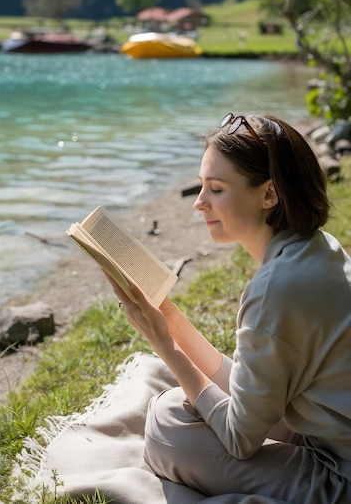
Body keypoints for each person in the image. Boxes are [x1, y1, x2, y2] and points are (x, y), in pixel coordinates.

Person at [104, 113, 351, 504]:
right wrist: (169, 318)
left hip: (340, 478)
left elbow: (241, 438)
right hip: (328, 430)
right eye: (202, 187)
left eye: (216, 189)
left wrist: (164, 345)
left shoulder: (277, 289)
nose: (199, 204)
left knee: (168, 427)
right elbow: (253, 389)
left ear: (269, 195)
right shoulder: (319, 248)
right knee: (173, 404)